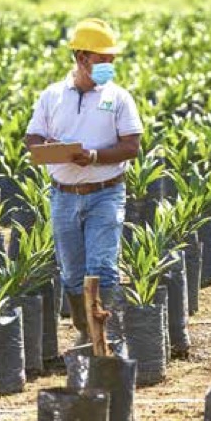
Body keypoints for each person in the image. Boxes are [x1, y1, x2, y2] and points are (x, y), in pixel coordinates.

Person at [24, 18, 142, 345]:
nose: (110, 64)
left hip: (106, 193)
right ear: (81, 57)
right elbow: (32, 136)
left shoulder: (119, 97)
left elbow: (132, 146)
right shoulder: (52, 96)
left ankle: (106, 335)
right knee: (73, 273)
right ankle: (87, 333)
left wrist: (92, 156)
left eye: (112, 58)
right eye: (103, 58)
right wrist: (47, 148)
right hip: (63, 196)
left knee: (102, 268)